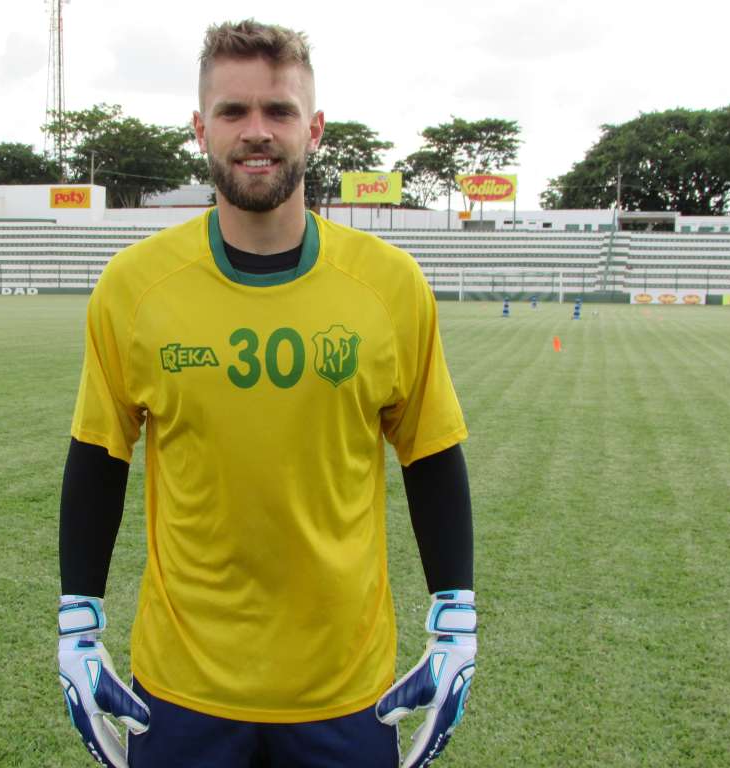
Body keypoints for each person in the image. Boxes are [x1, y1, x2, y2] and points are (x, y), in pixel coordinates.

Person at [57, 19, 476, 768]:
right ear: (200, 128)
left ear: (314, 129)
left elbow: (432, 454)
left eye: (279, 111)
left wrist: (456, 619)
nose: (258, 132)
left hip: (346, 690)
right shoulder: (133, 289)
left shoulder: (390, 287)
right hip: (181, 690)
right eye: (233, 111)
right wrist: (77, 623)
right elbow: (97, 454)